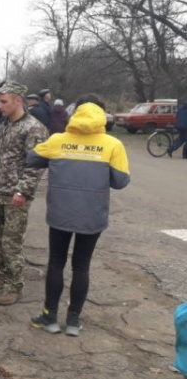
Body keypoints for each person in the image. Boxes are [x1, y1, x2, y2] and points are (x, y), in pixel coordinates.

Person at [27, 94, 130, 336]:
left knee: (56, 262)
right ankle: (73, 321)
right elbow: (120, 181)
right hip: (92, 217)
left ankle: (49, 317)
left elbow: (32, 158)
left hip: (60, 214)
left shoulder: (58, 140)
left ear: (76, 113)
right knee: (81, 267)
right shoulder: (113, 144)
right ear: (102, 116)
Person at [0, 81, 49, 305]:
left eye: (3, 102)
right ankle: (2, 274)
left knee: (12, 240)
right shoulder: (3, 126)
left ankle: (14, 285)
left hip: (17, 195)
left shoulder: (34, 128)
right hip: (0, 191)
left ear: (18, 100)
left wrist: (23, 191)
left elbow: (36, 165)